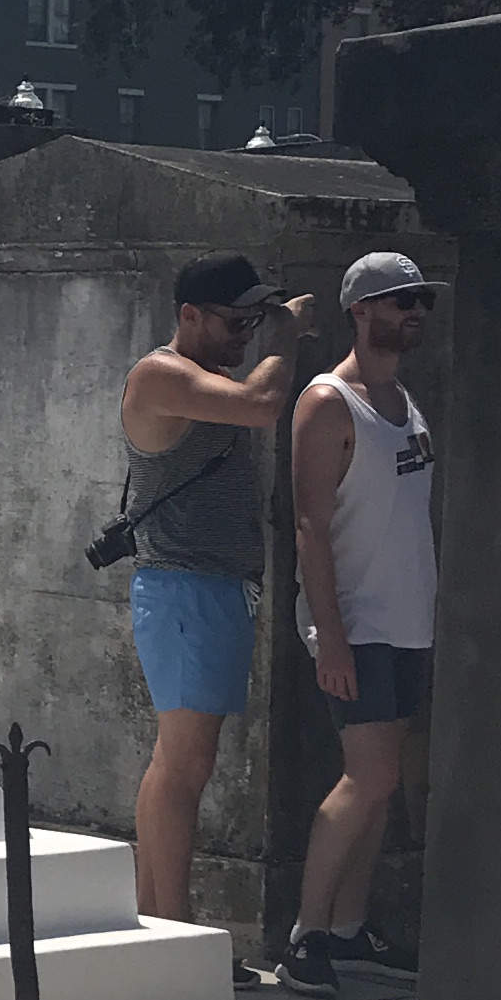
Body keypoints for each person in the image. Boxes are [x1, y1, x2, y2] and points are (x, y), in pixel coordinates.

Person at [117, 253, 315, 922]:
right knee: (186, 765)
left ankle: (155, 918)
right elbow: (263, 405)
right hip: (184, 588)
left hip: (210, 589)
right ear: (190, 316)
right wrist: (285, 336)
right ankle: (172, 927)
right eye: (236, 322)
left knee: (176, 763)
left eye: (254, 321)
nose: (246, 335)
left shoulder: (206, 380)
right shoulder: (161, 374)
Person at [278, 249, 438, 1000]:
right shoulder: (327, 402)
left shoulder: (405, 402)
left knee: (384, 782)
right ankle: (305, 937)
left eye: (421, 300)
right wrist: (331, 635)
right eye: (402, 300)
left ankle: (348, 930)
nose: (415, 312)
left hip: (409, 618)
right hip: (358, 621)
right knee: (366, 775)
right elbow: (310, 524)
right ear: (361, 309)